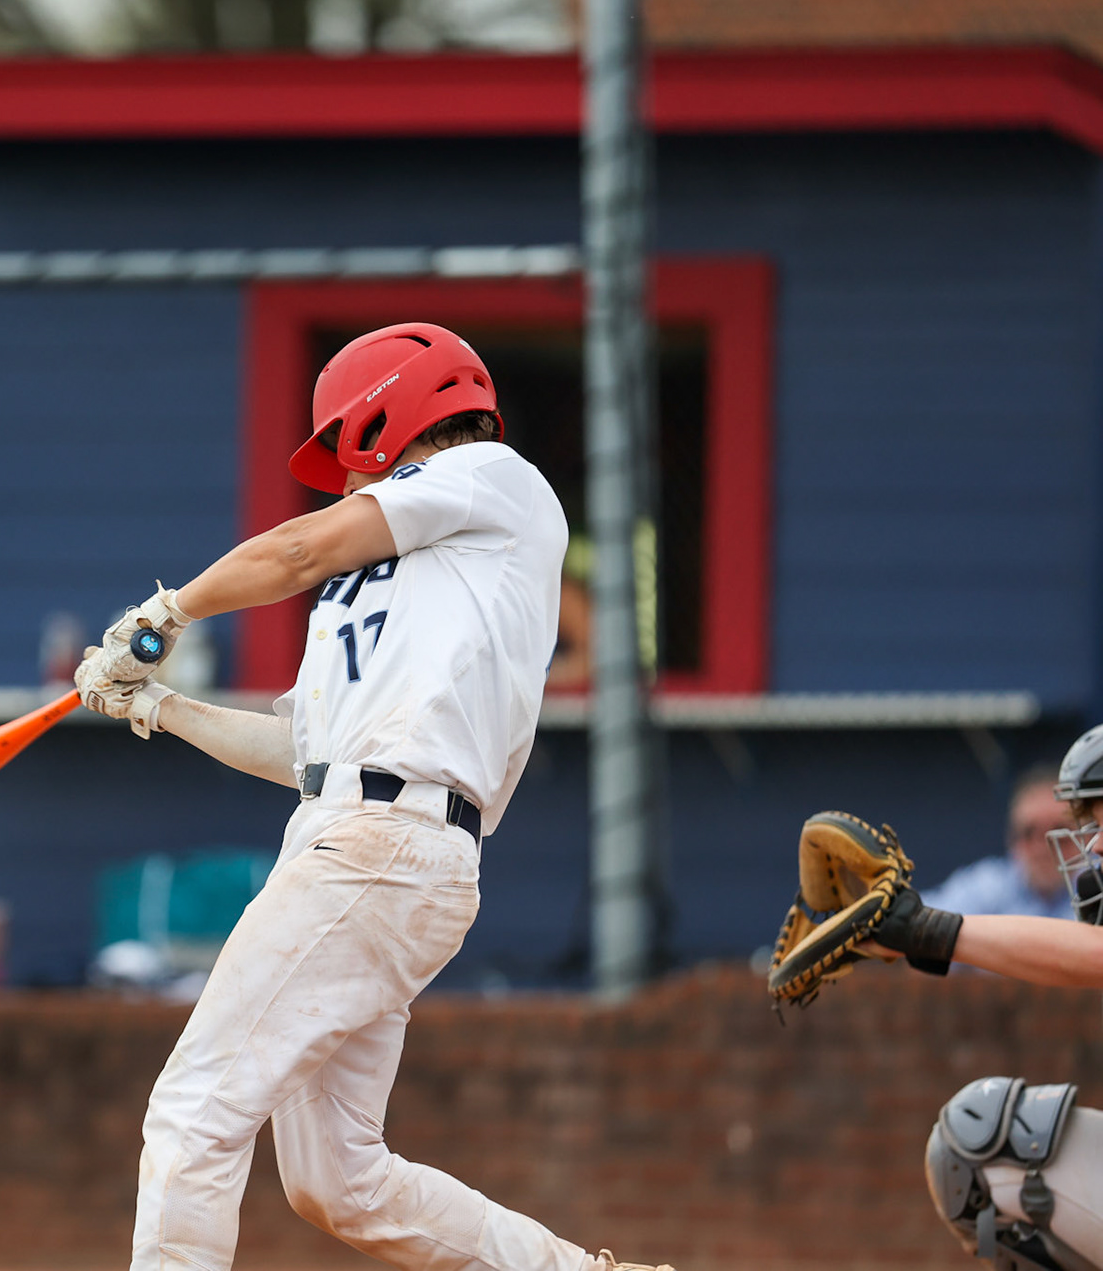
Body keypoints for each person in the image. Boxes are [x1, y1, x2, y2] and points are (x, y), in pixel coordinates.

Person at [75, 324, 671, 1271]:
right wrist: (159, 707)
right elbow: (306, 756)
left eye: (347, 451)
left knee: (196, 1106)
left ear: (386, 418)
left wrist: (163, 614)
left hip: (382, 845)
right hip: (360, 840)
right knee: (336, 1181)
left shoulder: (494, 478)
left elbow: (294, 550)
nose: (345, 479)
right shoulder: (378, 589)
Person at [850, 728, 1103, 1271]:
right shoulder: (994, 881)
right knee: (975, 1143)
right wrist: (894, 933)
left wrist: (929, 932)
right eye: (1093, 825)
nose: (1096, 846)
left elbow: (1095, 954)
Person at [921, 766, 1073, 920]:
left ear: (1083, 837)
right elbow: (922, 918)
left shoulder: (1089, 887)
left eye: (1059, 834)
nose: (1042, 848)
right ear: (1012, 839)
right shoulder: (989, 886)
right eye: (1029, 833)